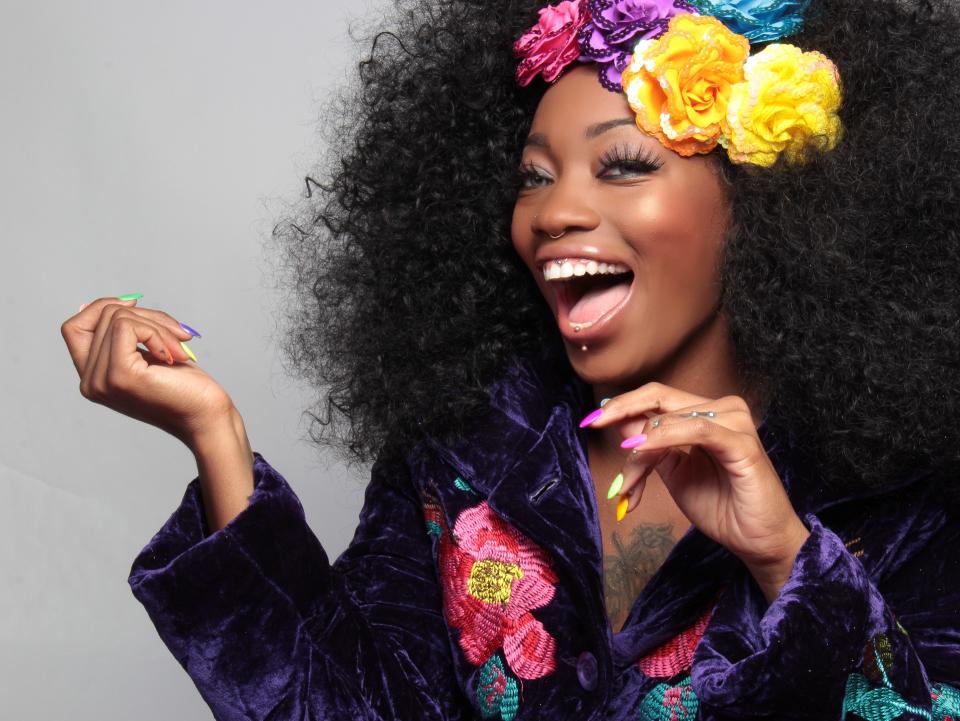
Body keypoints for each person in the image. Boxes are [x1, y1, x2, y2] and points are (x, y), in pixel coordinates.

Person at [60, 0, 960, 718]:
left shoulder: (899, 490)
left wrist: (785, 560)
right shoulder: (467, 449)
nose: (554, 211)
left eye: (621, 166)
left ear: (764, 207)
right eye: (535, 174)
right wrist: (215, 438)